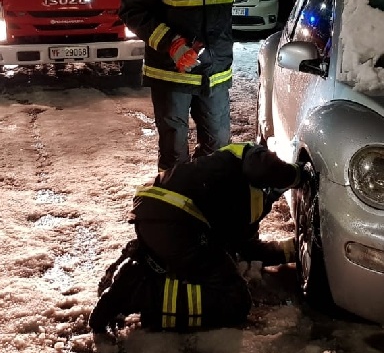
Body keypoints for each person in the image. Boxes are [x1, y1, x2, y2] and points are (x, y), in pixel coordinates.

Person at [119, 0, 358, 173]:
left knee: (218, 149)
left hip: (214, 73)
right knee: (174, 153)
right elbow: (131, 10)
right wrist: (172, 43)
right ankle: (175, 195)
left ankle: (207, 193)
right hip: (171, 75)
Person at [88, 142, 313, 334]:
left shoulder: (243, 200)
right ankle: (139, 293)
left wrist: (298, 248)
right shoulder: (252, 156)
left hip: (160, 214)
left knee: (202, 268)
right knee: (234, 301)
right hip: (179, 217)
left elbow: (249, 249)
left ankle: (138, 269)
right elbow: (262, 167)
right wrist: (296, 175)